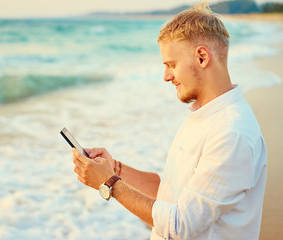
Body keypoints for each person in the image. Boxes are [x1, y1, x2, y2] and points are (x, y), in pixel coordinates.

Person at [72, 1, 267, 239]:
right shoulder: (204, 116)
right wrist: (115, 168)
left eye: (171, 65)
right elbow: (168, 192)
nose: (166, 76)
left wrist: (109, 182)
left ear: (202, 57)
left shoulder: (231, 133)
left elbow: (180, 225)